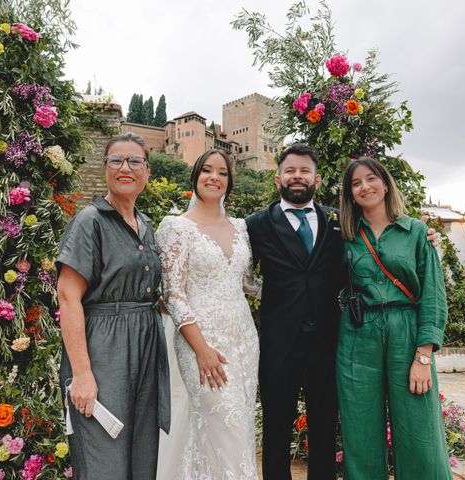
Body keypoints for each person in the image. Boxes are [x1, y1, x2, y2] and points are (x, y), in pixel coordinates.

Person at [56, 132, 170, 480]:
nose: (125, 168)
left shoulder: (146, 225)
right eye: (116, 160)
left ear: (147, 172)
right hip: (104, 349)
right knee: (104, 455)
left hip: (146, 348)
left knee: (141, 454)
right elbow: (67, 296)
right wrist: (83, 373)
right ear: (105, 168)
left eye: (135, 161)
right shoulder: (90, 221)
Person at [336, 157, 452, 479]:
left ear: (385, 184)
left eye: (370, 179)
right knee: (360, 431)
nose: (364, 187)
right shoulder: (345, 235)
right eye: (356, 183)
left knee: (419, 430)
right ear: (351, 194)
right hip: (358, 335)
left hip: (407, 330)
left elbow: (432, 294)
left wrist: (424, 354)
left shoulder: (415, 231)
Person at [156, 149, 261, 479]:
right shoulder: (176, 228)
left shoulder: (242, 228)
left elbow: (248, 283)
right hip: (200, 341)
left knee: (236, 427)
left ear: (229, 183)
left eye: (222, 173)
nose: (214, 177)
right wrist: (201, 349)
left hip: (243, 341)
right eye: (207, 171)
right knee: (224, 421)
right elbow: (173, 293)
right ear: (196, 177)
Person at [245, 143, 344, 480]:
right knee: (276, 427)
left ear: (316, 178)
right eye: (290, 171)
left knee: (324, 424)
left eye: (304, 171)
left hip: (327, 341)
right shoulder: (256, 225)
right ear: (278, 178)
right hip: (278, 343)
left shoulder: (337, 220)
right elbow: (234, 269)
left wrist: (429, 239)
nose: (297, 176)